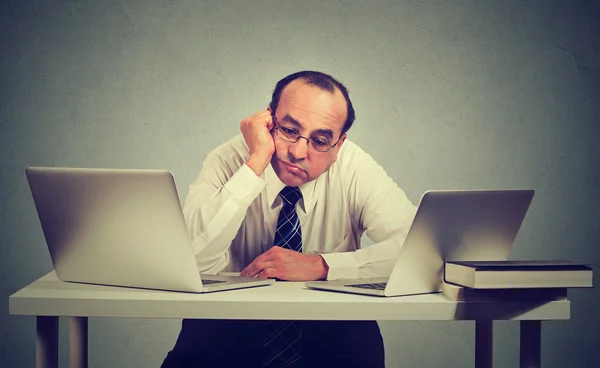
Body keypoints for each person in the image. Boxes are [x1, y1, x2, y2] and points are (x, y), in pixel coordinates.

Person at [161, 71, 417, 368]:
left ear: (340, 143)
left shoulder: (355, 167)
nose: (297, 152)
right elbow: (191, 260)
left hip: (333, 332)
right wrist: (255, 163)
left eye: (320, 140)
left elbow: (418, 251)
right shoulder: (230, 159)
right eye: (289, 130)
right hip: (224, 329)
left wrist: (322, 266)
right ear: (268, 119)